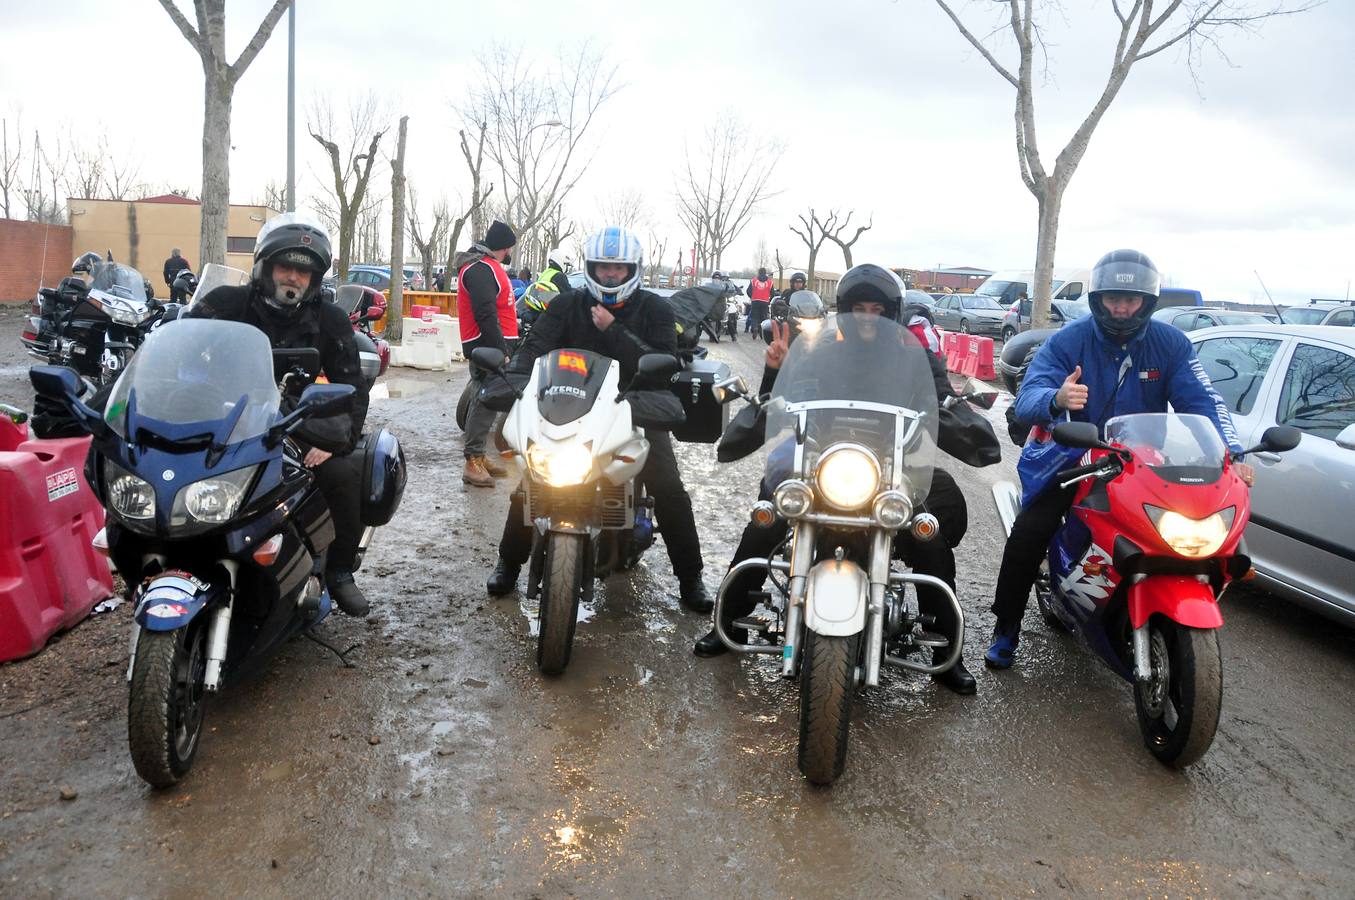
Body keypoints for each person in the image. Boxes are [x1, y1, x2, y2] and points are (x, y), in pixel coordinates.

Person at [694, 264, 999, 694]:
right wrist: (774, 370)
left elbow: (940, 397)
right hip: (821, 457)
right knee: (770, 513)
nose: (868, 316)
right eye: (860, 308)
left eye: (877, 309)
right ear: (847, 310)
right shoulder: (818, 349)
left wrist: (955, 407)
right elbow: (780, 399)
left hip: (890, 463)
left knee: (927, 536)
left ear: (891, 313)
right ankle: (728, 622)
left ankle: (947, 650)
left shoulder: (915, 355)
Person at [986, 249, 1253, 668]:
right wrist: (1056, 398)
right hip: (1074, 461)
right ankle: (1006, 629)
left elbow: (1203, 402)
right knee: (1029, 533)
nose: (1121, 308)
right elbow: (1028, 397)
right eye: (1113, 299)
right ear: (1097, 299)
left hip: (1143, 463)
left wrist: (1231, 453)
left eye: (1130, 300)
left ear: (1148, 301)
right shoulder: (1069, 340)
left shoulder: (1171, 345)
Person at [484, 226, 712, 613]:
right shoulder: (566, 305)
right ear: (591, 267)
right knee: (532, 478)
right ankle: (509, 562)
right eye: (603, 267)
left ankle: (691, 578)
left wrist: (615, 329)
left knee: (669, 488)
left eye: (618, 268)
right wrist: (514, 383)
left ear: (632, 270)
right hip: (569, 408)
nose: (610, 275)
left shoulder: (655, 309)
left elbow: (661, 365)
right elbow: (534, 350)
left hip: (634, 409)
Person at [184, 212, 372, 617]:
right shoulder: (224, 304)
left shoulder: (330, 319)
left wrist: (334, 439)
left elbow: (354, 387)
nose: (293, 277)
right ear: (265, 267)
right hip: (222, 419)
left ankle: (338, 571)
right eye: (285, 266)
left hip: (294, 424)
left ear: (315, 278)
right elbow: (179, 351)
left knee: (344, 474)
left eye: (303, 271)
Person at [454, 220, 519, 488]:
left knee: (484, 398)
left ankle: (478, 455)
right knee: (485, 401)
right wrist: (500, 350)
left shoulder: (485, 267)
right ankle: (473, 462)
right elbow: (485, 313)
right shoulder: (481, 269)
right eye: (510, 248)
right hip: (488, 346)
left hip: (490, 345)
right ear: (504, 247)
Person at [747, 267, 774, 341]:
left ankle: (755, 327)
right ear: (765, 273)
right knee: (763, 317)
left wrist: (752, 297)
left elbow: (748, 291)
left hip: (755, 301)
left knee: (754, 316)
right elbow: (773, 293)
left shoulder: (753, 280)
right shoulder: (770, 282)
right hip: (765, 301)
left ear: (759, 273)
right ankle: (762, 331)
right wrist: (769, 300)